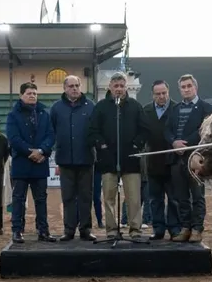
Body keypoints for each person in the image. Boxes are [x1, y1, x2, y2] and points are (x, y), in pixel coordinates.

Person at [88, 72, 149, 240]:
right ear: (110, 87)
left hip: (131, 159)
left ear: (126, 87)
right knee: (108, 198)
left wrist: (136, 144)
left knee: (134, 198)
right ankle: (112, 230)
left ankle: (135, 230)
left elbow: (144, 130)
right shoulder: (101, 107)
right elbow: (93, 131)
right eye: (116, 86)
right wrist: (102, 145)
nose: (119, 89)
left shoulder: (135, 106)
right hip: (107, 160)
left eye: (122, 86)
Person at [163, 74, 212, 243]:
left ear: (195, 87)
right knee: (181, 196)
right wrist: (173, 142)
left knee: (197, 196)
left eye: (189, 86)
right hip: (176, 160)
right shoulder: (174, 109)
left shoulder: (207, 108)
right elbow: (166, 130)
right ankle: (185, 227)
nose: (186, 89)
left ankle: (197, 229)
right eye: (183, 87)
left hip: (195, 158)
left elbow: (205, 131)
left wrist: (185, 144)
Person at [6, 82, 56, 243]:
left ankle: (43, 231)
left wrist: (41, 151)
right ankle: (17, 231)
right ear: (21, 95)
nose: (32, 96)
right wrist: (31, 152)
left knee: (41, 199)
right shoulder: (13, 115)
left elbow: (51, 136)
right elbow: (14, 139)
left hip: (40, 162)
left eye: (35, 93)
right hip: (22, 163)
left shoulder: (44, 114)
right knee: (18, 199)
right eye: (29, 93)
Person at [50, 75, 97, 242]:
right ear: (64, 88)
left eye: (77, 85)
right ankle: (69, 230)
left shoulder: (90, 106)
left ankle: (85, 229)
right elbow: (52, 131)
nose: (75, 88)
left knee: (86, 196)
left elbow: (96, 131)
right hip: (65, 160)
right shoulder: (56, 108)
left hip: (86, 159)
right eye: (71, 86)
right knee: (68, 197)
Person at [141, 80, 179, 240]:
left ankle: (174, 229)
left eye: (164, 93)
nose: (161, 96)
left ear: (168, 92)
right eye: (158, 94)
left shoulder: (176, 108)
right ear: (153, 95)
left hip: (172, 163)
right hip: (153, 163)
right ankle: (158, 229)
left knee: (173, 199)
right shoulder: (146, 110)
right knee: (155, 199)